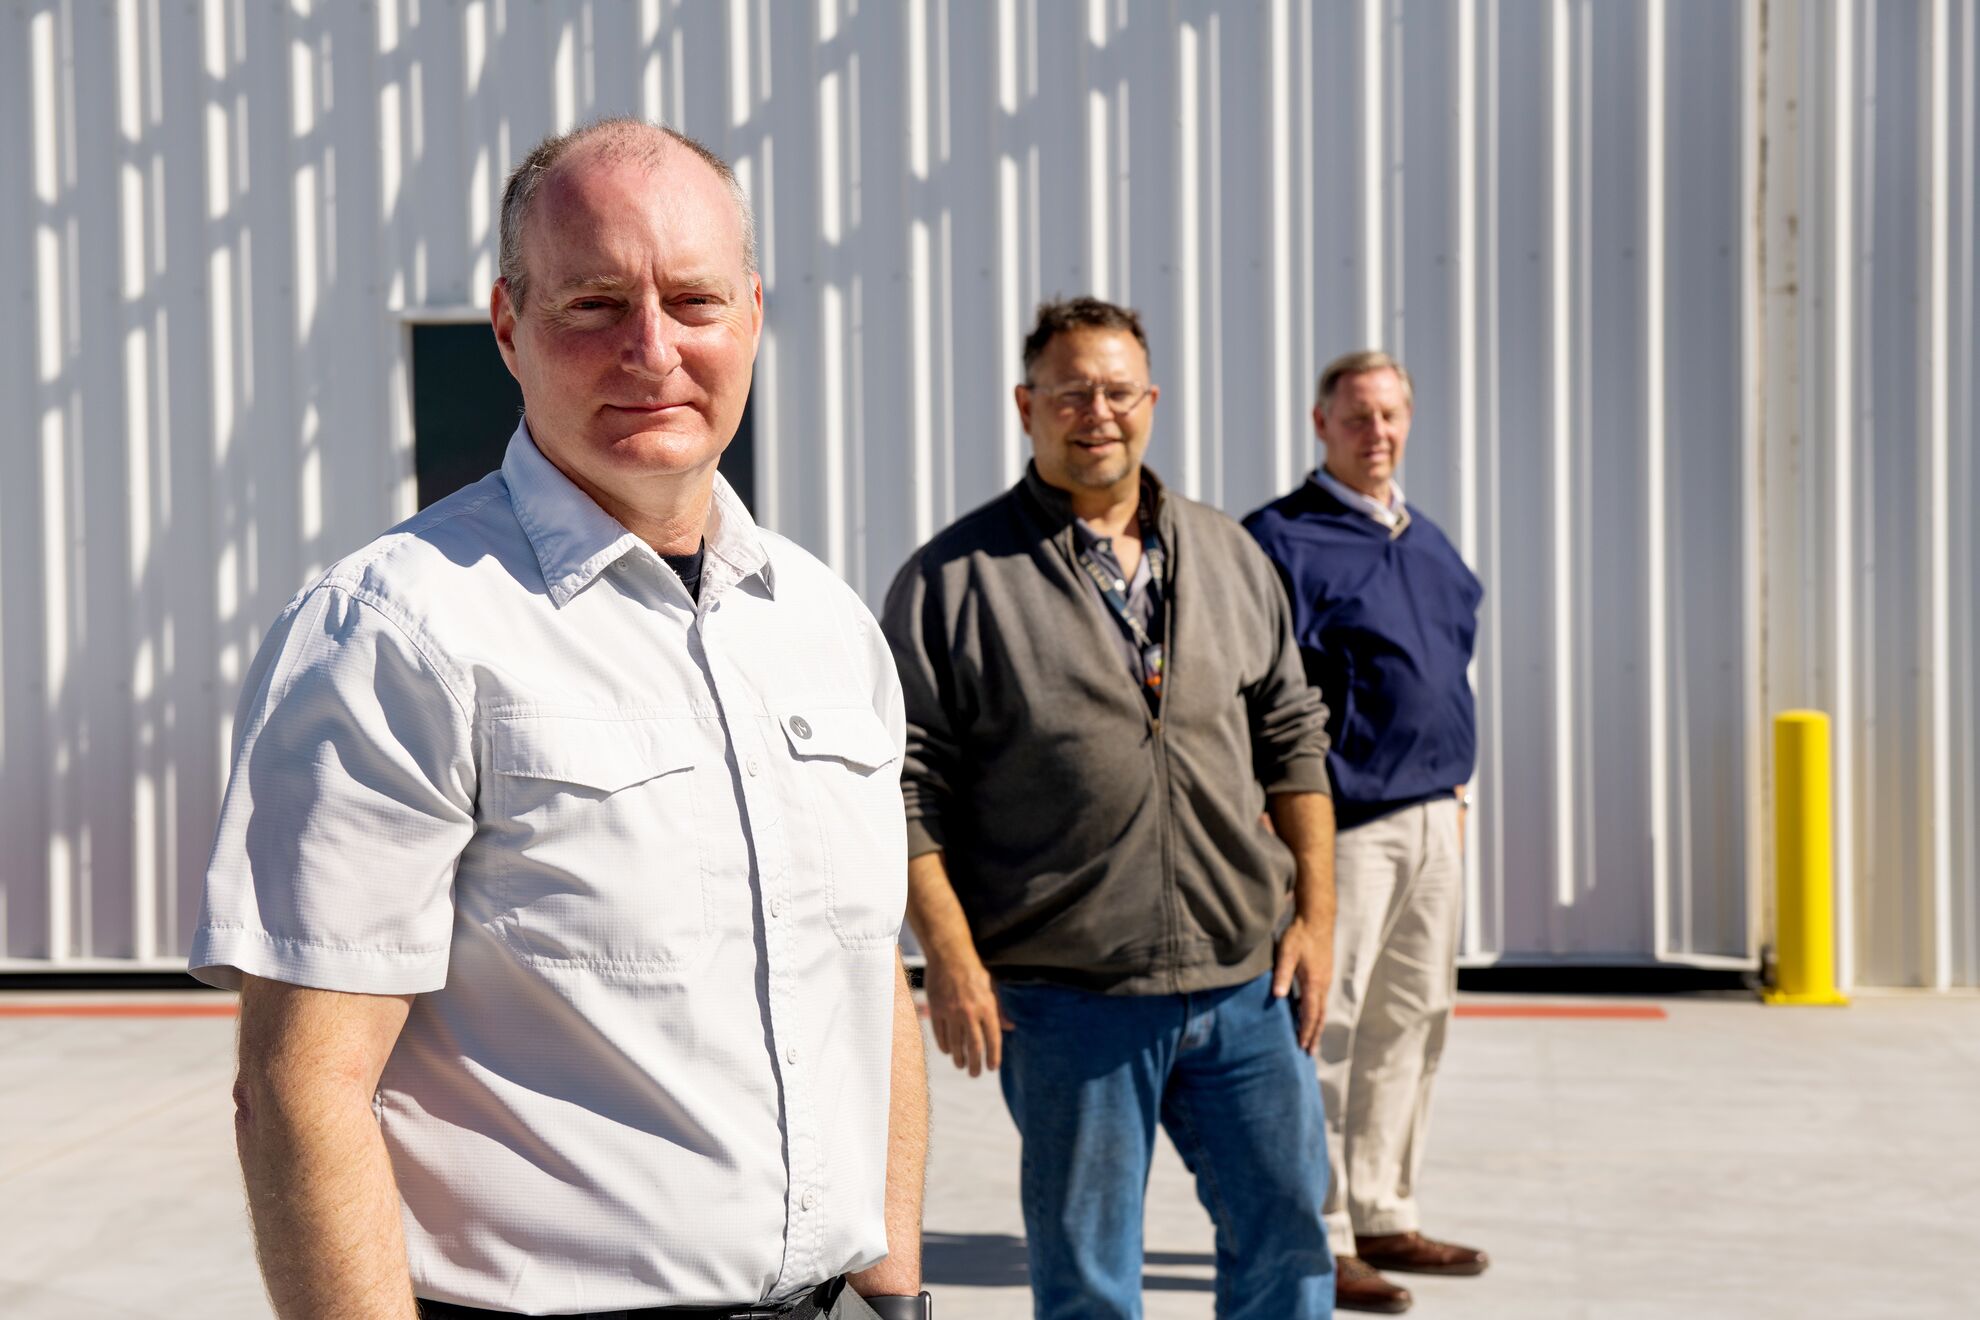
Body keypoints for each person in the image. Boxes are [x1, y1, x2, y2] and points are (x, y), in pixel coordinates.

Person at [189, 118, 930, 1320]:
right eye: (593, 304)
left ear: (751, 314)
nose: (652, 349)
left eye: (693, 300)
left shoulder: (824, 626)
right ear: (506, 325)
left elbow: (860, 977)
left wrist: (896, 1285)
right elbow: (300, 1091)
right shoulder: (397, 631)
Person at [882, 296, 1338, 1320]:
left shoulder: (1229, 555)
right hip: (1065, 999)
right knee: (1089, 1279)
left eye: (1118, 390)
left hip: (1243, 985)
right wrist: (950, 960)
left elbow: (1292, 738)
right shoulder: (953, 581)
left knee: (1289, 1241)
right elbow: (905, 785)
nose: (1098, 411)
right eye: (1071, 392)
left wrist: (1318, 916)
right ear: (1026, 405)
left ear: (1151, 401)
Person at [1244, 350, 1487, 1315]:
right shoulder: (1284, 541)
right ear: (1320, 423)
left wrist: (1455, 803)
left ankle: (1386, 1208)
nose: (1376, 433)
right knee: (1324, 1028)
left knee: (1412, 1023)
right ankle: (1325, 1230)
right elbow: (1262, 695)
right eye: (1357, 417)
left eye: (1390, 415)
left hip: (1434, 820)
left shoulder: (1426, 543)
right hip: (1340, 828)